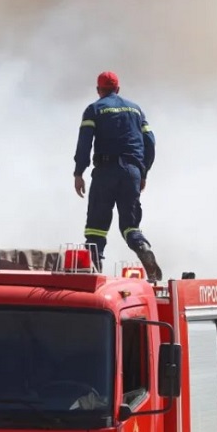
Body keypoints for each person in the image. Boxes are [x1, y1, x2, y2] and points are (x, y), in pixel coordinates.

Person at [72, 71, 162, 281]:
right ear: (118, 89)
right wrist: (143, 172)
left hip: (106, 171)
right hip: (132, 172)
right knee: (130, 225)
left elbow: (84, 143)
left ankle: (94, 269)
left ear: (98, 90)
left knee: (97, 224)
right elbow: (150, 141)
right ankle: (142, 246)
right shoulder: (136, 109)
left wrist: (79, 172)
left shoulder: (95, 109)